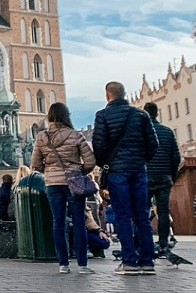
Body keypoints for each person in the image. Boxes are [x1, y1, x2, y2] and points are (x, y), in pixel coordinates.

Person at [92, 81, 158, 276]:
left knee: (123, 216)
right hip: (139, 171)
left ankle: (129, 261)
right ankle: (147, 261)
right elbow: (153, 143)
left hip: (117, 172)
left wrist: (106, 163)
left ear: (107, 95)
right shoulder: (141, 114)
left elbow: (99, 145)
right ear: (124, 94)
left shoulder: (102, 115)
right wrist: (141, 159)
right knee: (142, 216)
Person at [31, 101, 97, 275]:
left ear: (50, 117)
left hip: (53, 184)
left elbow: (35, 164)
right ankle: (82, 265)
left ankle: (63, 264)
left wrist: (50, 171)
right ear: (66, 116)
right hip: (73, 182)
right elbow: (90, 161)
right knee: (79, 223)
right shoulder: (75, 135)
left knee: (58, 223)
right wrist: (78, 171)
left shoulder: (42, 137)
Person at [143, 101, 180, 258]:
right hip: (165, 177)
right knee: (163, 212)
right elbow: (176, 157)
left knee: (143, 211)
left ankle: (145, 243)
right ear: (157, 113)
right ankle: (164, 244)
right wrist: (171, 175)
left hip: (145, 177)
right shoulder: (168, 132)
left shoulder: (141, 132)